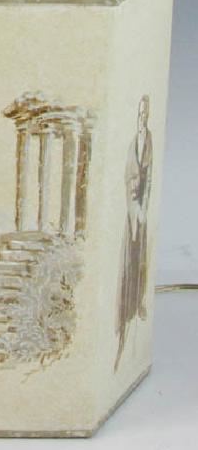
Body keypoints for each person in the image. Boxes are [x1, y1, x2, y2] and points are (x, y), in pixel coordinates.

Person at [114, 95, 153, 371]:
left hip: (142, 210)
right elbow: (129, 178)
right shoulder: (131, 143)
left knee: (142, 256)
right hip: (131, 210)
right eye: (139, 114)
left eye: (145, 114)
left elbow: (148, 177)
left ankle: (138, 301)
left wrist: (144, 209)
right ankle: (126, 308)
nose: (142, 119)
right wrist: (133, 209)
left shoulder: (148, 139)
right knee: (129, 257)